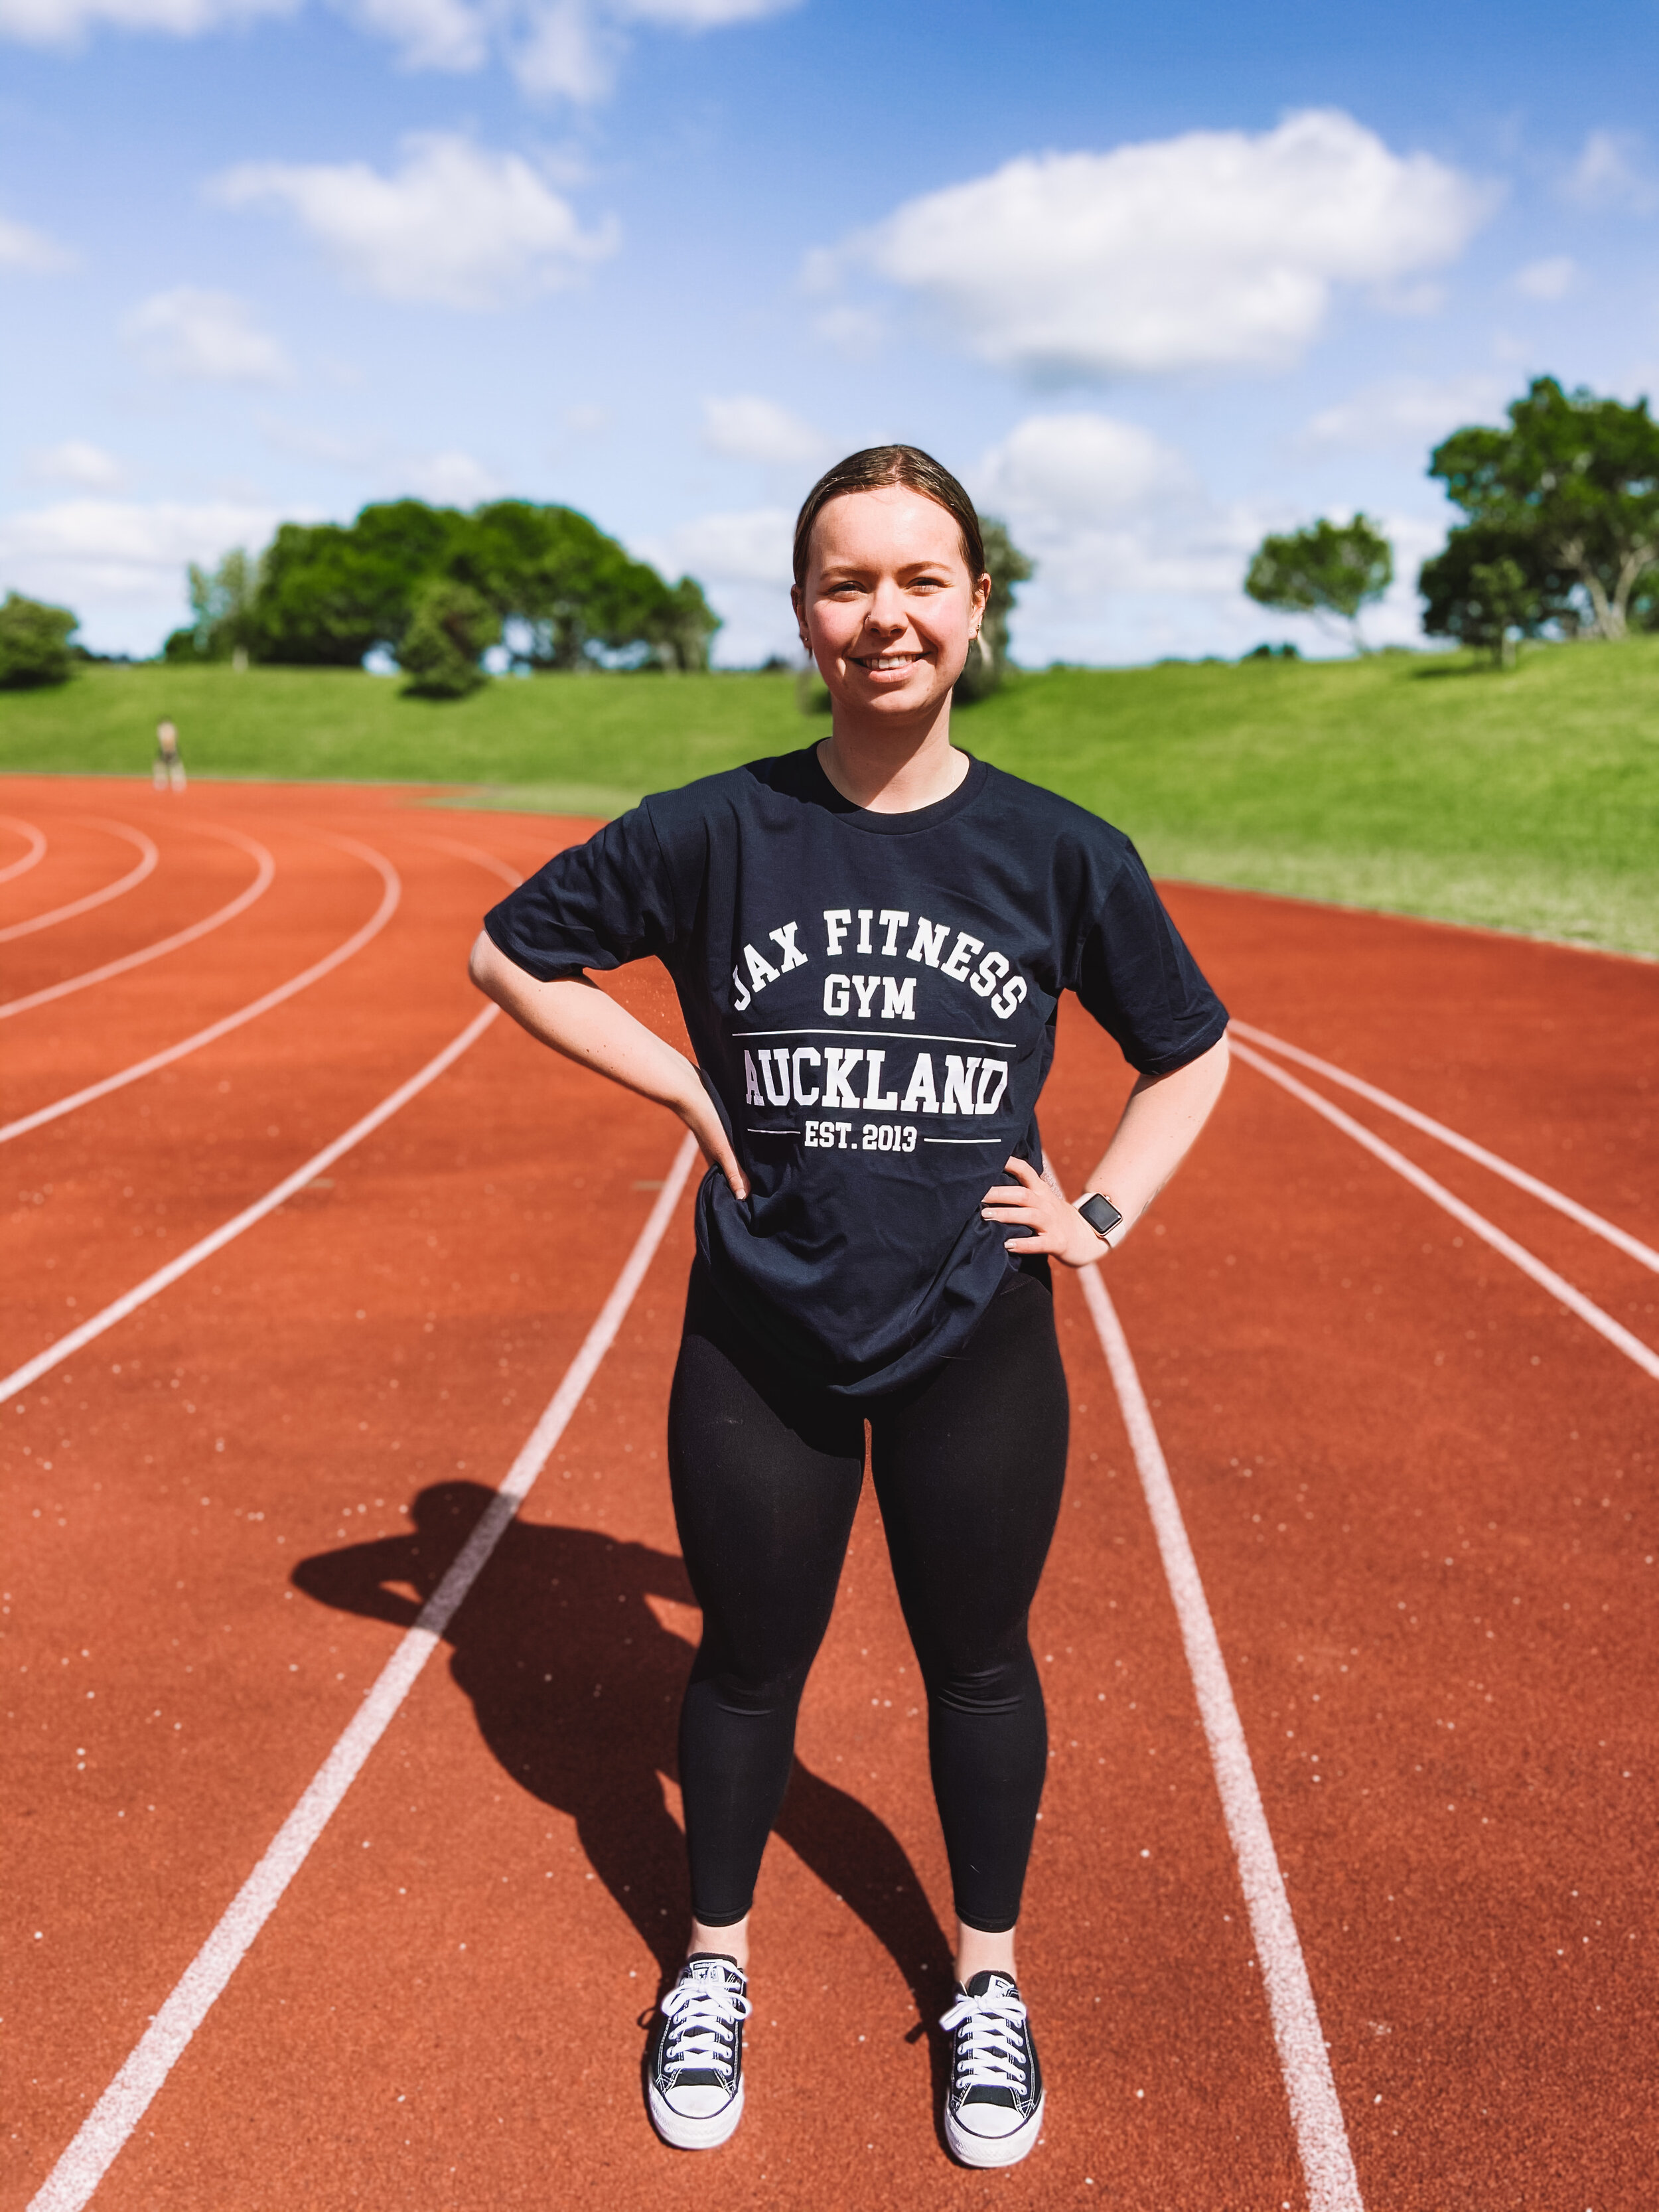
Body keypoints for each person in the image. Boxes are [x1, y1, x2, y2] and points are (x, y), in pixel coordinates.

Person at [469, 446, 1230, 2168]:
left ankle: (984, 1984)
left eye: (917, 578)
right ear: (802, 607)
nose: (881, 614)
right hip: (763, 1339)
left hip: (976, 1337)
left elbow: (1188, 1045)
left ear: (974, 605)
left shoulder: (1055, 850)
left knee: (977, 1662)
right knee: (745, 1663)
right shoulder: (715, 830)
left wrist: (1099, 1206)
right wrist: (676, 1082)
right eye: (844, 579)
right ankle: (714, 1966)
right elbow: (508, 951)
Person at [153, 718, 185, 792]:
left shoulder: (164, 729)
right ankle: (165, 782)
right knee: (163, 765)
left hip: (169, 749)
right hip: (167, 749)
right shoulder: (169, 728)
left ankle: (175, 782)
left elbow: (170, 740)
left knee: (173, 765)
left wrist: (168, 748)